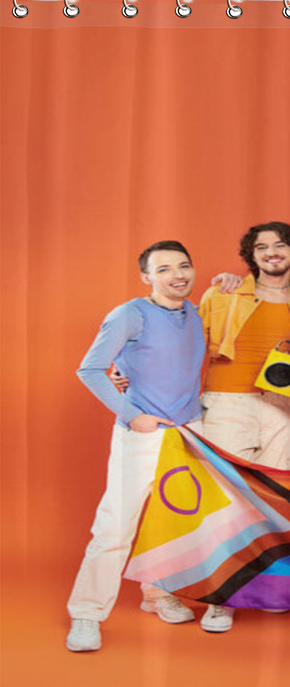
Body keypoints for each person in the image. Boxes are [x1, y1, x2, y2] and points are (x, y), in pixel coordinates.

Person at [66, 241, 206, 652]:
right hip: (143, 433)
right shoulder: (130, 313)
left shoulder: (195, 313)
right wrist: (132, 414)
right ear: (147, 277)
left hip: (189, 432)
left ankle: (157, 592)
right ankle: (87, 614)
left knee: (175, 521)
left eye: (183, 266)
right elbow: (90, 369)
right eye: (163, 269)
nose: (177, 275)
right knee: (115, 526)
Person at [195, 222, 290, 633]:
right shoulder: (224, 291)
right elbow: (187, 340)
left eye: (280, 245)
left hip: (281, 407)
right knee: (227, 499)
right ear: (251, 256)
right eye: (261, 247)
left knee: (273, 501)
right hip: (227, 399)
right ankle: (221, 596)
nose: (271, 252)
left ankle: (268, 587)